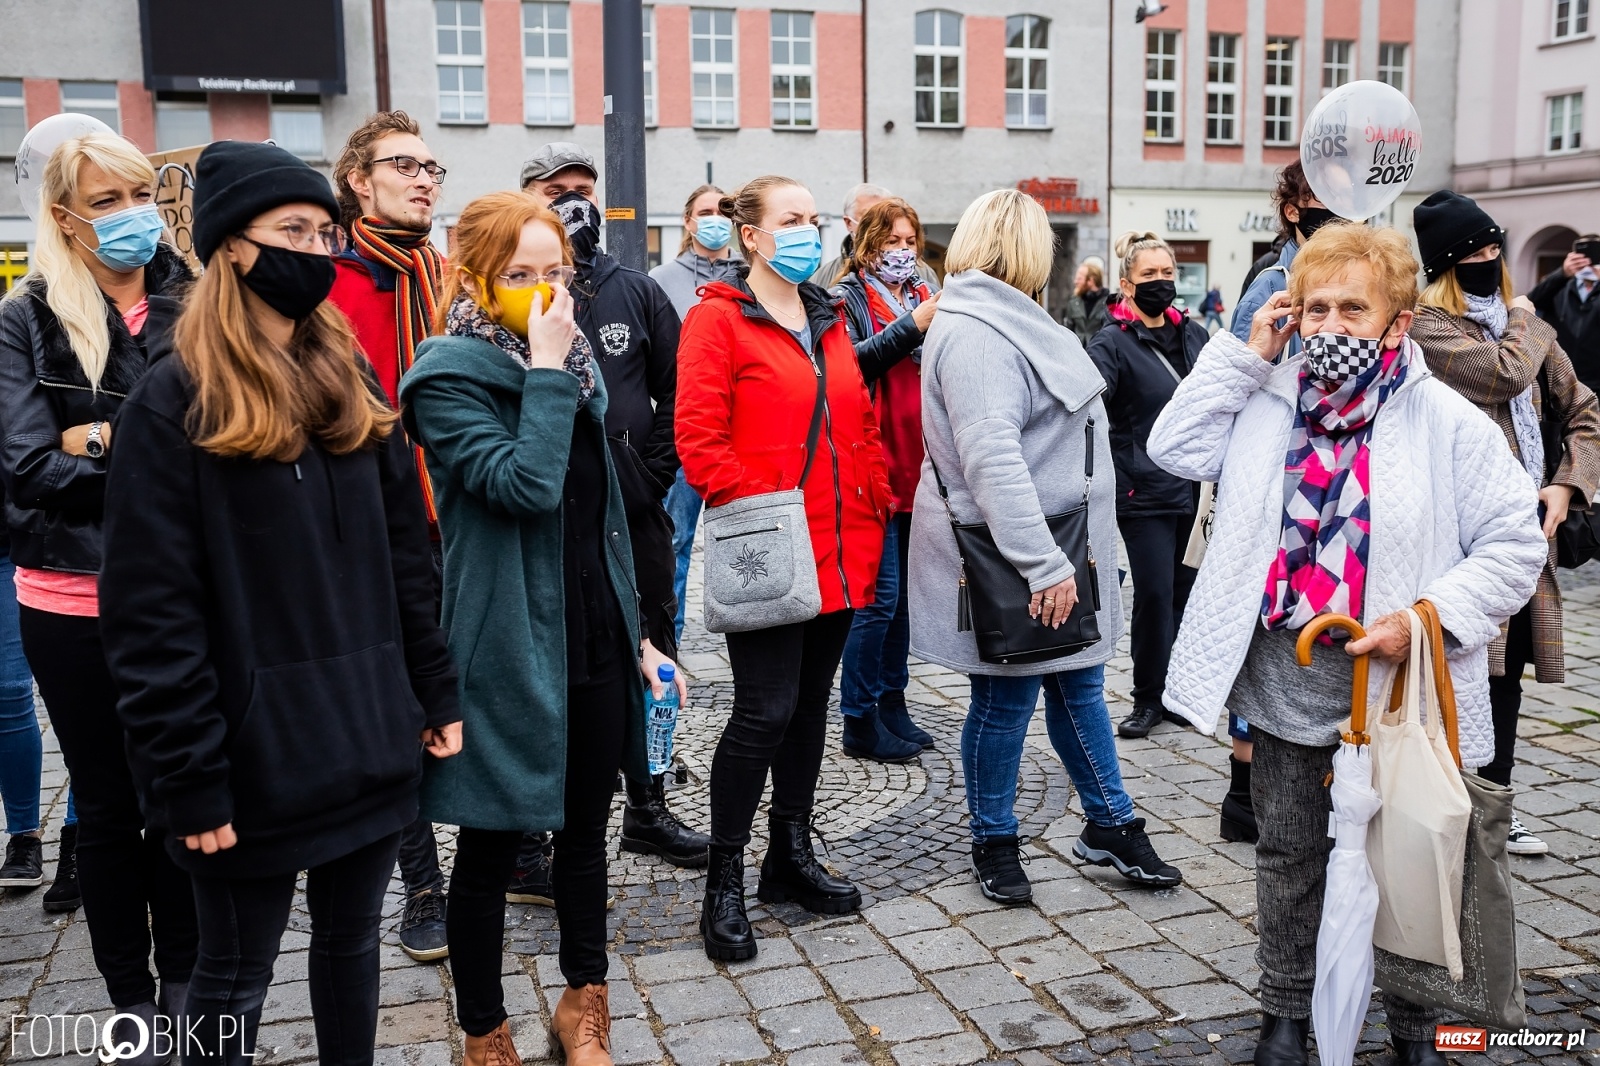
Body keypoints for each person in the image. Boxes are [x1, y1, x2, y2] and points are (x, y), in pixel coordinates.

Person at [99, 140, 462, 1066]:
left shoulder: (350, 380)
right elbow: (152, 616)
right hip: (248, 760)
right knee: (233, 975)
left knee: (351, 949)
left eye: (324, 230)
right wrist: (188, 774)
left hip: (365, 733)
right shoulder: (171, 401)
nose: (317, 248)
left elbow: (403, 556)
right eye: (292, 230)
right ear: (230, 248)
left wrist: (431, 689)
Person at [1149, 222, 1547, 1066]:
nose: (1330, 326)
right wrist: (1245, 353)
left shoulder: (1446, 419)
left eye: (1353, 309)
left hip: (1402, 688)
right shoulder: (1268, 395)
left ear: (1397, 322)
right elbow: (1171, 448)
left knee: (1410, 855)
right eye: (1316, 307)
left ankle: (1414, 1029)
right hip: (1285, 673)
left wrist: (1423, 620)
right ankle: (1285, 1017)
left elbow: (1516, 545)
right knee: (1289, 852)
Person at [402, 190, 672, 1066]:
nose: (545, 289)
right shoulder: (445, 377)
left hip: (593, 638)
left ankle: (582, 1000)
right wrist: (549, 372)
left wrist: (637, 631)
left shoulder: (577, 362)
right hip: (507, 644)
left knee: (585, 838)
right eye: (520, 274)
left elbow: (602, 518)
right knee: (488, 851)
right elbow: (525, 486)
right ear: (477, 278)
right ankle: (485, 1031)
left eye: (556, 271)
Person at [908, 190, 1183, 908]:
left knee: (1080, 684)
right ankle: (992, 836)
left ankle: (1110, 822)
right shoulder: (976, 332)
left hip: (1057, 544)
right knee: (1006, 699)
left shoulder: (1002, 318)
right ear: (1028, 251)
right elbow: (991, 457)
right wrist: (1041, 562)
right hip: (1026, 552)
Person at [0, 131, 198, 1057]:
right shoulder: (27, 314)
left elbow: (224, 442)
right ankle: (131, 994)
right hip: (70, 598)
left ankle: (192, 983)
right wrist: (142, 443)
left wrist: (99, 436)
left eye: (137, 192)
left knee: (187, 797)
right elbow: (28, 466)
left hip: (185, 591)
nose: (130, 215)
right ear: (64, 215)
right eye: (104, 198)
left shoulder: (194, 300)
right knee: (110, 806)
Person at [677, 175, 892, 961]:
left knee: (809, 709)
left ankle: (789, 857)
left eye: (816, 218)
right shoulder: (717, 322)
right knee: (763, 712)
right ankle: (724, 878)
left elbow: (856, 421)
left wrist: (869, 493)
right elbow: (699, 443)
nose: (809, 231)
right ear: (753, 236)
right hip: (773, 548)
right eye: (791, 220)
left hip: (842, 545)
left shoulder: (829, 316)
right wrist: (768, 513)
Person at [519, 144, 708, 881]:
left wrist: (648, 473)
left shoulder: (636, 289)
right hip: (549, 515)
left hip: (635, 514)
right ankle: (534, 832)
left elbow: (680, 390)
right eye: (556, 190)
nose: (575, 202)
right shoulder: (514, 290)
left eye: (584, 189)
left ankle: (649, 807)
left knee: (655, 649)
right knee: (557, 662)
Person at [1410, 190, 1600, 857]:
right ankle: (1450, 807)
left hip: (1528, 536)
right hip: (1462, 540)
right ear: (1445, 266)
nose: (1490, 266)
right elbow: (1506, 376)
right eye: (1475, 257)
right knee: (1465, 675)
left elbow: (1584, 410)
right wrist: (1526, 316)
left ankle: (1496, 807)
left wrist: (1566, 485)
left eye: (1496, 252)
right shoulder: (1429, 328)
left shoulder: (1523, 322)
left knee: (1510, 673)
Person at [327, 108, 453, 964]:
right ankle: (421, 882)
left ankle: (511, 845)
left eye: (431, 166)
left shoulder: (455, 275)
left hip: (465, 512)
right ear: (358, 182)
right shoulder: (327, 284)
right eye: (402, 165)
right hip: (372, 522)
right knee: (403, 703)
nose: (422, 178)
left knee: (477, 679)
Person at [1220, 160, 1343, 840]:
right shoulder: (1273, 283)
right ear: (1293, 209)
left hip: (1336, 488)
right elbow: (1241, 380)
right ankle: (1252, 794)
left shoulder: (1356, 276)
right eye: (1321, 198)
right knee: (1267, 635)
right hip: (1281, 482)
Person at [831, 198, 942, 763]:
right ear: (867, 245)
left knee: (904, 605)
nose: (902, 252)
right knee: (878, 599)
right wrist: (911, 328)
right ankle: (858, 715)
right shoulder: (846, 297)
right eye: (890, 241)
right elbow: (848, 367)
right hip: (873, 465)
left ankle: (892, 702)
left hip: (917, 465)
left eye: (909, 241)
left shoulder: (922, 293)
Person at [1086, 232, 1208, 741]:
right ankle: (1146, 698)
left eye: (1166, 274)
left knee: (1186, 593)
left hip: (1195, 488)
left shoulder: (1195, 335)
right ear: (1126, 284)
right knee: (1154, 594)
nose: (1160, 283)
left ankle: (1177, 693)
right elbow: (1093, 405)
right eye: (1149, 276)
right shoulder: (1111, 342)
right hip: (1142, 492)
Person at [650, 184, 739, 647]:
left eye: (724, 210)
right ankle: (670, 641)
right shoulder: (662, 279)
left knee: (744, 538)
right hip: (685, 432)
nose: (715, 219)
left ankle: (751, 640)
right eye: (705, 211)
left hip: (740, 431)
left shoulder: (749, 276)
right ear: (687, 222)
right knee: (675, 542)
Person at [1529, 235, 1600, 393]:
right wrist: (1562, 273)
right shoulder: (1558, 285)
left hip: (1596, 381)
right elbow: (1532, 302)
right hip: (1560, 379)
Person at [811, 182, 891, 286]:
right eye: (869, 217)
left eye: (885, 217)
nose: (878, 224)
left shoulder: (913, 273)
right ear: (849, 223)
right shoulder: (823, 278)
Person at [1064, 257, 1109, 344]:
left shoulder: (1108, 303)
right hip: (1077, 353)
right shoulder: (1074, 302)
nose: (1075, 282)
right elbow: (1068, 331)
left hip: (1098, 353)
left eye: (1079, 278)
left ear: (1091, 281)